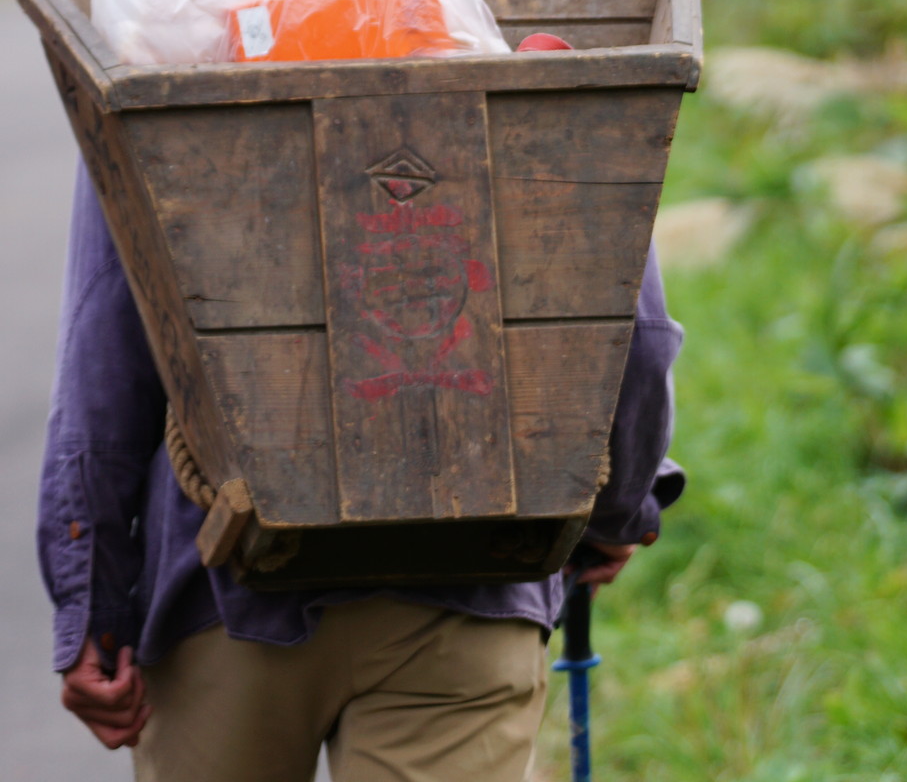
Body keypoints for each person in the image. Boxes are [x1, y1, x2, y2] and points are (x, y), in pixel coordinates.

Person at [40, 163, 684, 780]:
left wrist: (90, 603)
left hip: (223, 587)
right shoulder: (539, 51)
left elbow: (105, 354)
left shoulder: (161, 53)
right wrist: (614, 511)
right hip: (473, 583)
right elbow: (642, 336)